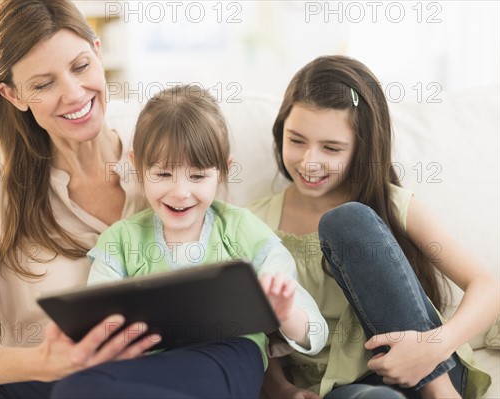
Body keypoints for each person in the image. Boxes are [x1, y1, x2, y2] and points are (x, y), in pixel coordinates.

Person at [0, 1, 159, 398]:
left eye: (80, 67)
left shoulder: (169, 162)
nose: (74, 94)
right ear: (13, 94)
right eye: (43, 84)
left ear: (98, 50)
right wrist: (42, 361)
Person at [47, 84, 328, 398]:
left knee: (76, 390)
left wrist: (285, 314)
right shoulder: (120, 241)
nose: (180, 193)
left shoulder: (243, 231)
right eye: (163, 174)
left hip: (228, 355)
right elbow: (97, 328)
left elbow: (315, 333)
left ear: (223, 172)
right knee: (68, 388)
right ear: (137, 166)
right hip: (150, 365)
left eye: (197, 176)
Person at [249, 55, 500, 399]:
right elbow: (251, 330)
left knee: (345, 221)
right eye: (296, 141)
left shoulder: (392, 204)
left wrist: (432, 347)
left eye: (331, 148)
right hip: (343, 390)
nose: (309, 162)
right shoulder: (250, 223)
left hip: (428, 368)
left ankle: (442, 394)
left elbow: (488, 287)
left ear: (361, 148)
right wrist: (282, 390)